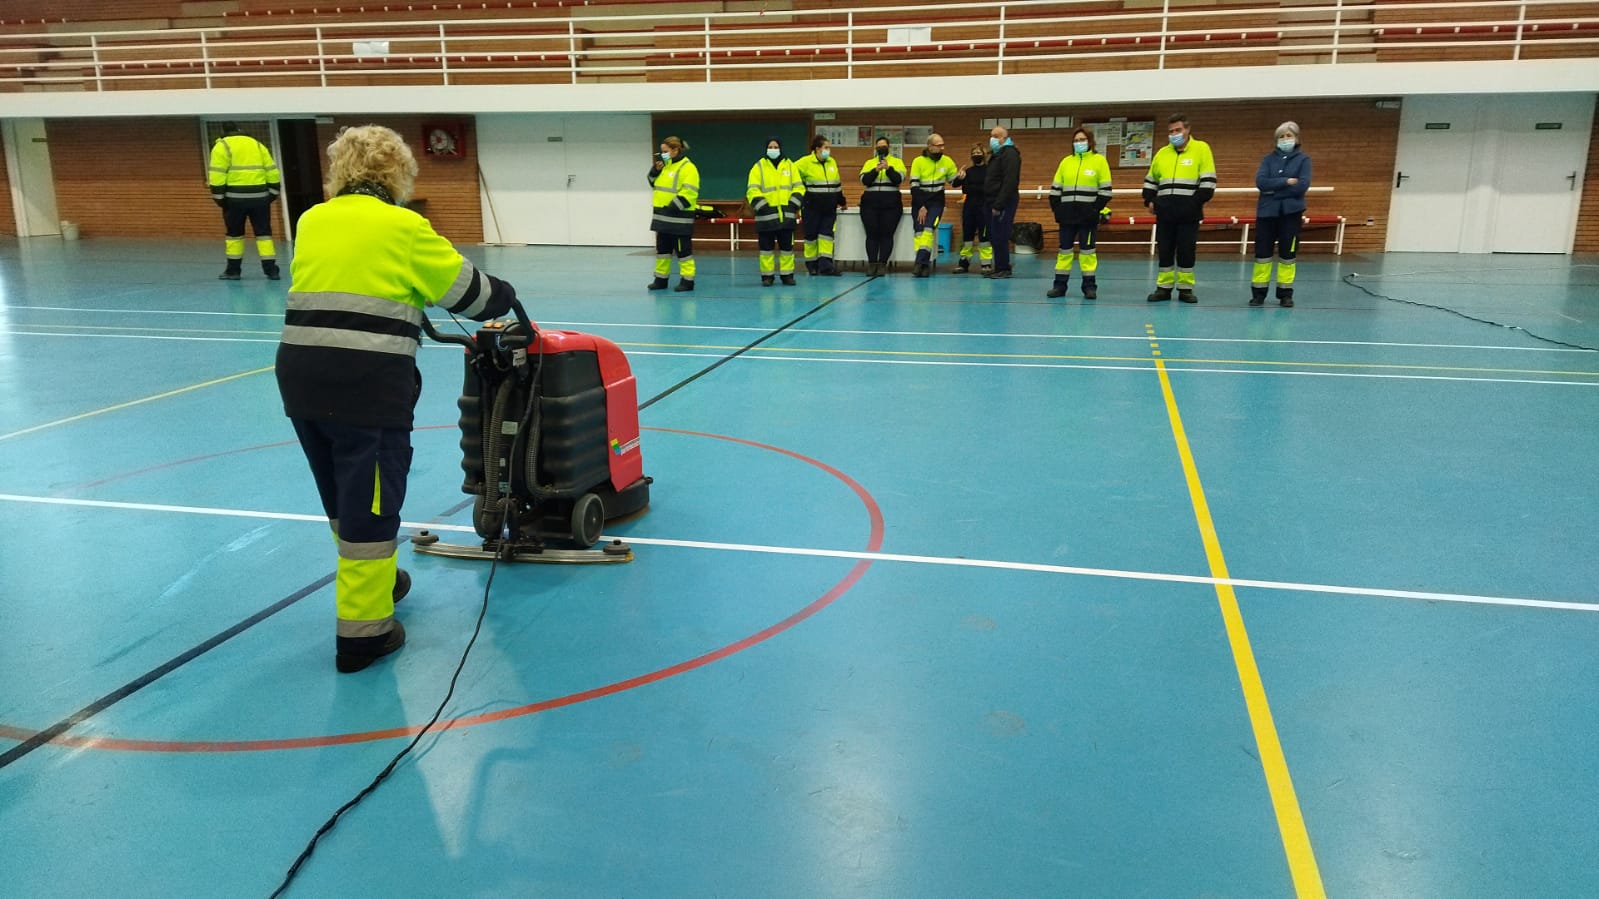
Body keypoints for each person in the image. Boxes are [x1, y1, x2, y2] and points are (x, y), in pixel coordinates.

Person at [275, 125, 518, 673]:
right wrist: (505, 295)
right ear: (396, 173)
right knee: (372, 502)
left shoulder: (312, 219)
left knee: (341, 491)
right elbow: (469, 294)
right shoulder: (404, 226)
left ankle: (378, 578)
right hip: (366, 385)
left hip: (300, 377)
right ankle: (364, 633)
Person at [1142, 113, 1216, 303]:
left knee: (1186, 250)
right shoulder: (1162, 153)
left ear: (1187, 129)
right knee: (1165, 250)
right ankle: (1164, 288)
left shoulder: (1201, 149)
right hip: (1165, 213)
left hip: (1189, 214)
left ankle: (1185, 289)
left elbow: (1208, 183)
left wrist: (1193, 204)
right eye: (1171, 131)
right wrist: (1150, 200)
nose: (1174, 134)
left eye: (1177, 130)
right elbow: (1150, 181)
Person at [207, 122, 281, 281]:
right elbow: (272, 170)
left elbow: (217, 175)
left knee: (234, 235)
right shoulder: (257, 145)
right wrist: (273, 193)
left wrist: (220, 199)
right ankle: (271, 270)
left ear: (223, 132)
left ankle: (233, 271)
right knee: (264, 234)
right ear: (240, 130)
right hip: (260, 198)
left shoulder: (222, 146)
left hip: (234, 200)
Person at [1047, 126, 1114, 300]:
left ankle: (1089, 287)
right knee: (1064, 252)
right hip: (1067, 217)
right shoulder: (1066, 162)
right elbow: (1055, 190)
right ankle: (1059, 286)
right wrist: (1058, 210)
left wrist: (1094, 210)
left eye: (1082, 140)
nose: (1079, 143)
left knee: (1088, 254)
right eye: (1076, 140)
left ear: (1090, 141)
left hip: (1088, 218)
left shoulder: (1099, 161)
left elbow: (1106, 191)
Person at [1252, 121, 1311, 308]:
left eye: (1289, 136)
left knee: (1288, 255)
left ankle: (1285, 294)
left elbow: (1302, 185)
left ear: (1296, 138)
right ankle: (1258, 293)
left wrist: (1274, 189)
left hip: (1290, 214)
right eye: (1281, 136)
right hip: (1266, 214)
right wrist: (1286, 181)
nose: (1285, 139)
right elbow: (1261, 182)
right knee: (1262, 254)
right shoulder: (1267, 160)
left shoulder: (1304, 160)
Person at [746, 136, 804, 286]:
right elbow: (752, 190)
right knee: (766, 250)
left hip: (787, 216)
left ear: (780, 148)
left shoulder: (790, 166)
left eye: (775, 146)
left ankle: (787, 276)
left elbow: (799, 187)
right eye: (770, 147)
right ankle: (767, 276)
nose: (773, 149)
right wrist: (763, 206)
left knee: (787, 249)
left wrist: (793, 204)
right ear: (766, 149)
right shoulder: (758, 167)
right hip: (766, 218)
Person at [649, 136, 700, 292]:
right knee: (662, 252)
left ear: (676, 149)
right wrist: (655, 171)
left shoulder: (688, 168)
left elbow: (689, 192)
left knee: (683, 252)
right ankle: (660, 280)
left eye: (665, 151)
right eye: (661, 151)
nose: (662, 154)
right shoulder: (665, 166)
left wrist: (671, 208)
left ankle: (687, 281)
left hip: (678, 220)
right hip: (662, 219)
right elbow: (653, 183)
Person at [907, 133, 958, 277]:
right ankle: (923, 264)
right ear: (930, 146)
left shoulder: (947, 161)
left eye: (943, 145)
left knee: (929, 230)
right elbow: (914, 187)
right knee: (919, 232)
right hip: (920, 201)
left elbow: (953, 182)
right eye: (939, 145)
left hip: (937, 202)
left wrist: (961, 178)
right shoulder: (918, 161)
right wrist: (921, 206)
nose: (942, 148)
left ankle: (920, 263)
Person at [795, 134, 846, 276]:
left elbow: (837, 184)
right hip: (811, 207)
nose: (828, 150)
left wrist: (841, 201)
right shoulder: (804, 163)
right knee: (811, 236)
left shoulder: (832, 162)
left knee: (826, 236)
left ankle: (826, 266)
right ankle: (812, 265)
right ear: (817, 149)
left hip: (829, 207)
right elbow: (791, 177)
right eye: (826, 147)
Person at [858, 135, 906, 277]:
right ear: (875, 148)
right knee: (871, 234)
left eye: (883, 146)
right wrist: (876, 170)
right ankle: (872, 264)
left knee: (887, 234)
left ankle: (882, 264)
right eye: (879, 146)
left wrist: (888, 168)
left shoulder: (897, 162)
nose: (881, 148)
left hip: (891, 203)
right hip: (870, 203)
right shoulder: (869, 163)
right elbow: (864, 180)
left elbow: (899, 179)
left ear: (889, 147)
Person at [983, 125, 1021, 279]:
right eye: (992, 135)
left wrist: (999, 204)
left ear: (1004, 138)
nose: (992, 139)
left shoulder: (1010, 154)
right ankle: (999, 266)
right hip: (991, 200)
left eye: (996, 136)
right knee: (993, 235)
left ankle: (1003, 267)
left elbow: (1010, 181)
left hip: (1003, 202)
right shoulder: (997, 154)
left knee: (1000, 235)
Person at [951, 142, 991, 275]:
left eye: (978, 153)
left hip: (984, 208)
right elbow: (957, 185)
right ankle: (963, 263)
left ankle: (986, 264)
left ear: (984, 155)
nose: (976, 155)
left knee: (984, 237)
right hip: (969, 208)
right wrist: (959, 177)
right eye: (973, 154)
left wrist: (971, 187)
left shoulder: (989, 170)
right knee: (967, 237)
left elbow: (985, 189)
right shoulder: (968, 171)